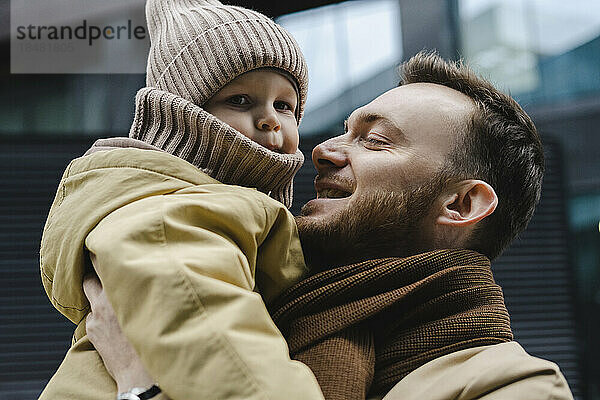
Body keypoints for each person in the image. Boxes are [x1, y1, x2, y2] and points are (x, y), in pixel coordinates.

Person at [82, 52, 575, 400]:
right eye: (344, 131)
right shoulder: (241, 298)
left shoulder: (513, 387)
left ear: (462, 204)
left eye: (375, 140)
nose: (319, 150)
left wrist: (141, 386)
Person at [39, 0, 326, 399]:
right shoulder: (173, 215)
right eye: (240, 100)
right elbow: (213, 339)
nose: (271, 120)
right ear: (182, 116)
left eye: (285, 105)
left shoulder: (211, 208)